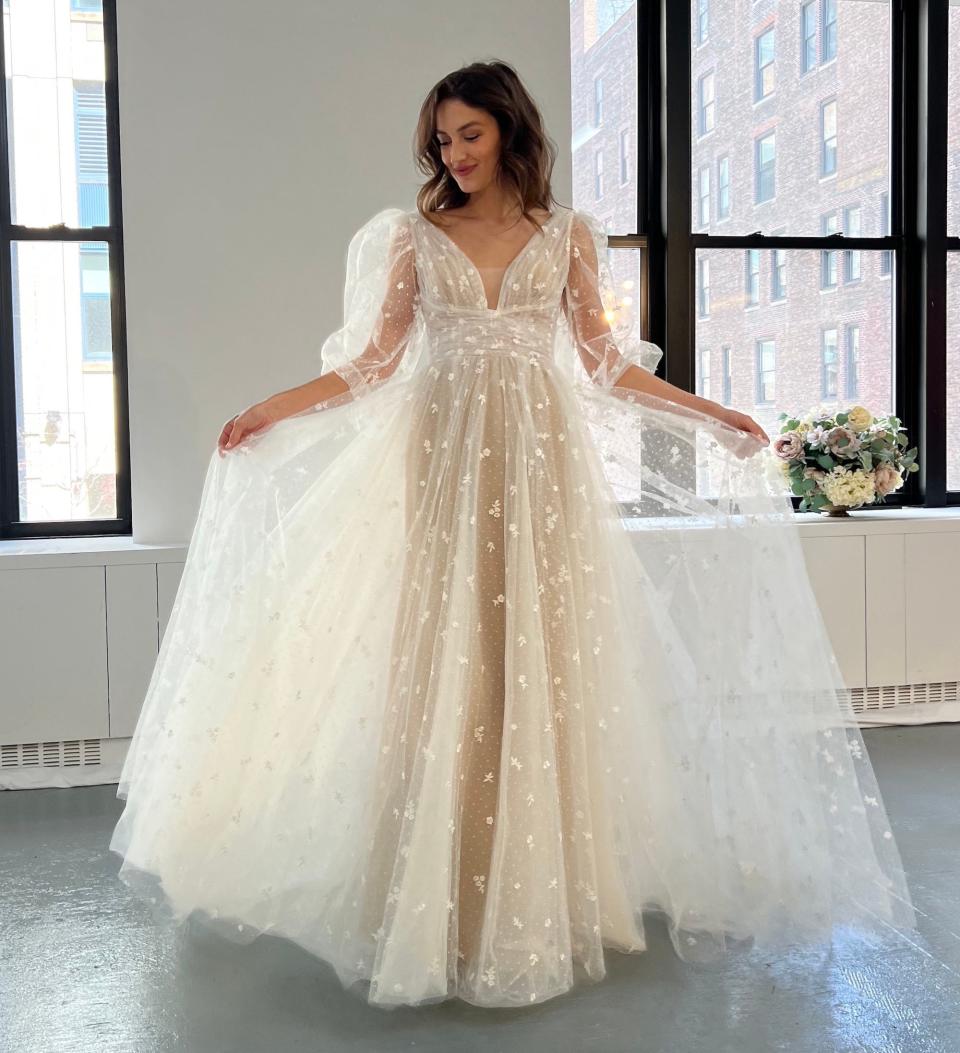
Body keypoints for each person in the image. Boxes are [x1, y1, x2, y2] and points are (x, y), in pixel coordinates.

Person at [109, 60, 917, 1011]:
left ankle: (538, 887)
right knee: (447, 655)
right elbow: (373, 364)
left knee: (536, 655)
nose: (453, 156)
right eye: (443, 141)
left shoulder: (568, 236)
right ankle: (436, 892)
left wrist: (713, 415)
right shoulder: (413, 236)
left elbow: (606, 363)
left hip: (541, 470)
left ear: (510, 132)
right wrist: (271, 409)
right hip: (443, 464)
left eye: (470, 136)